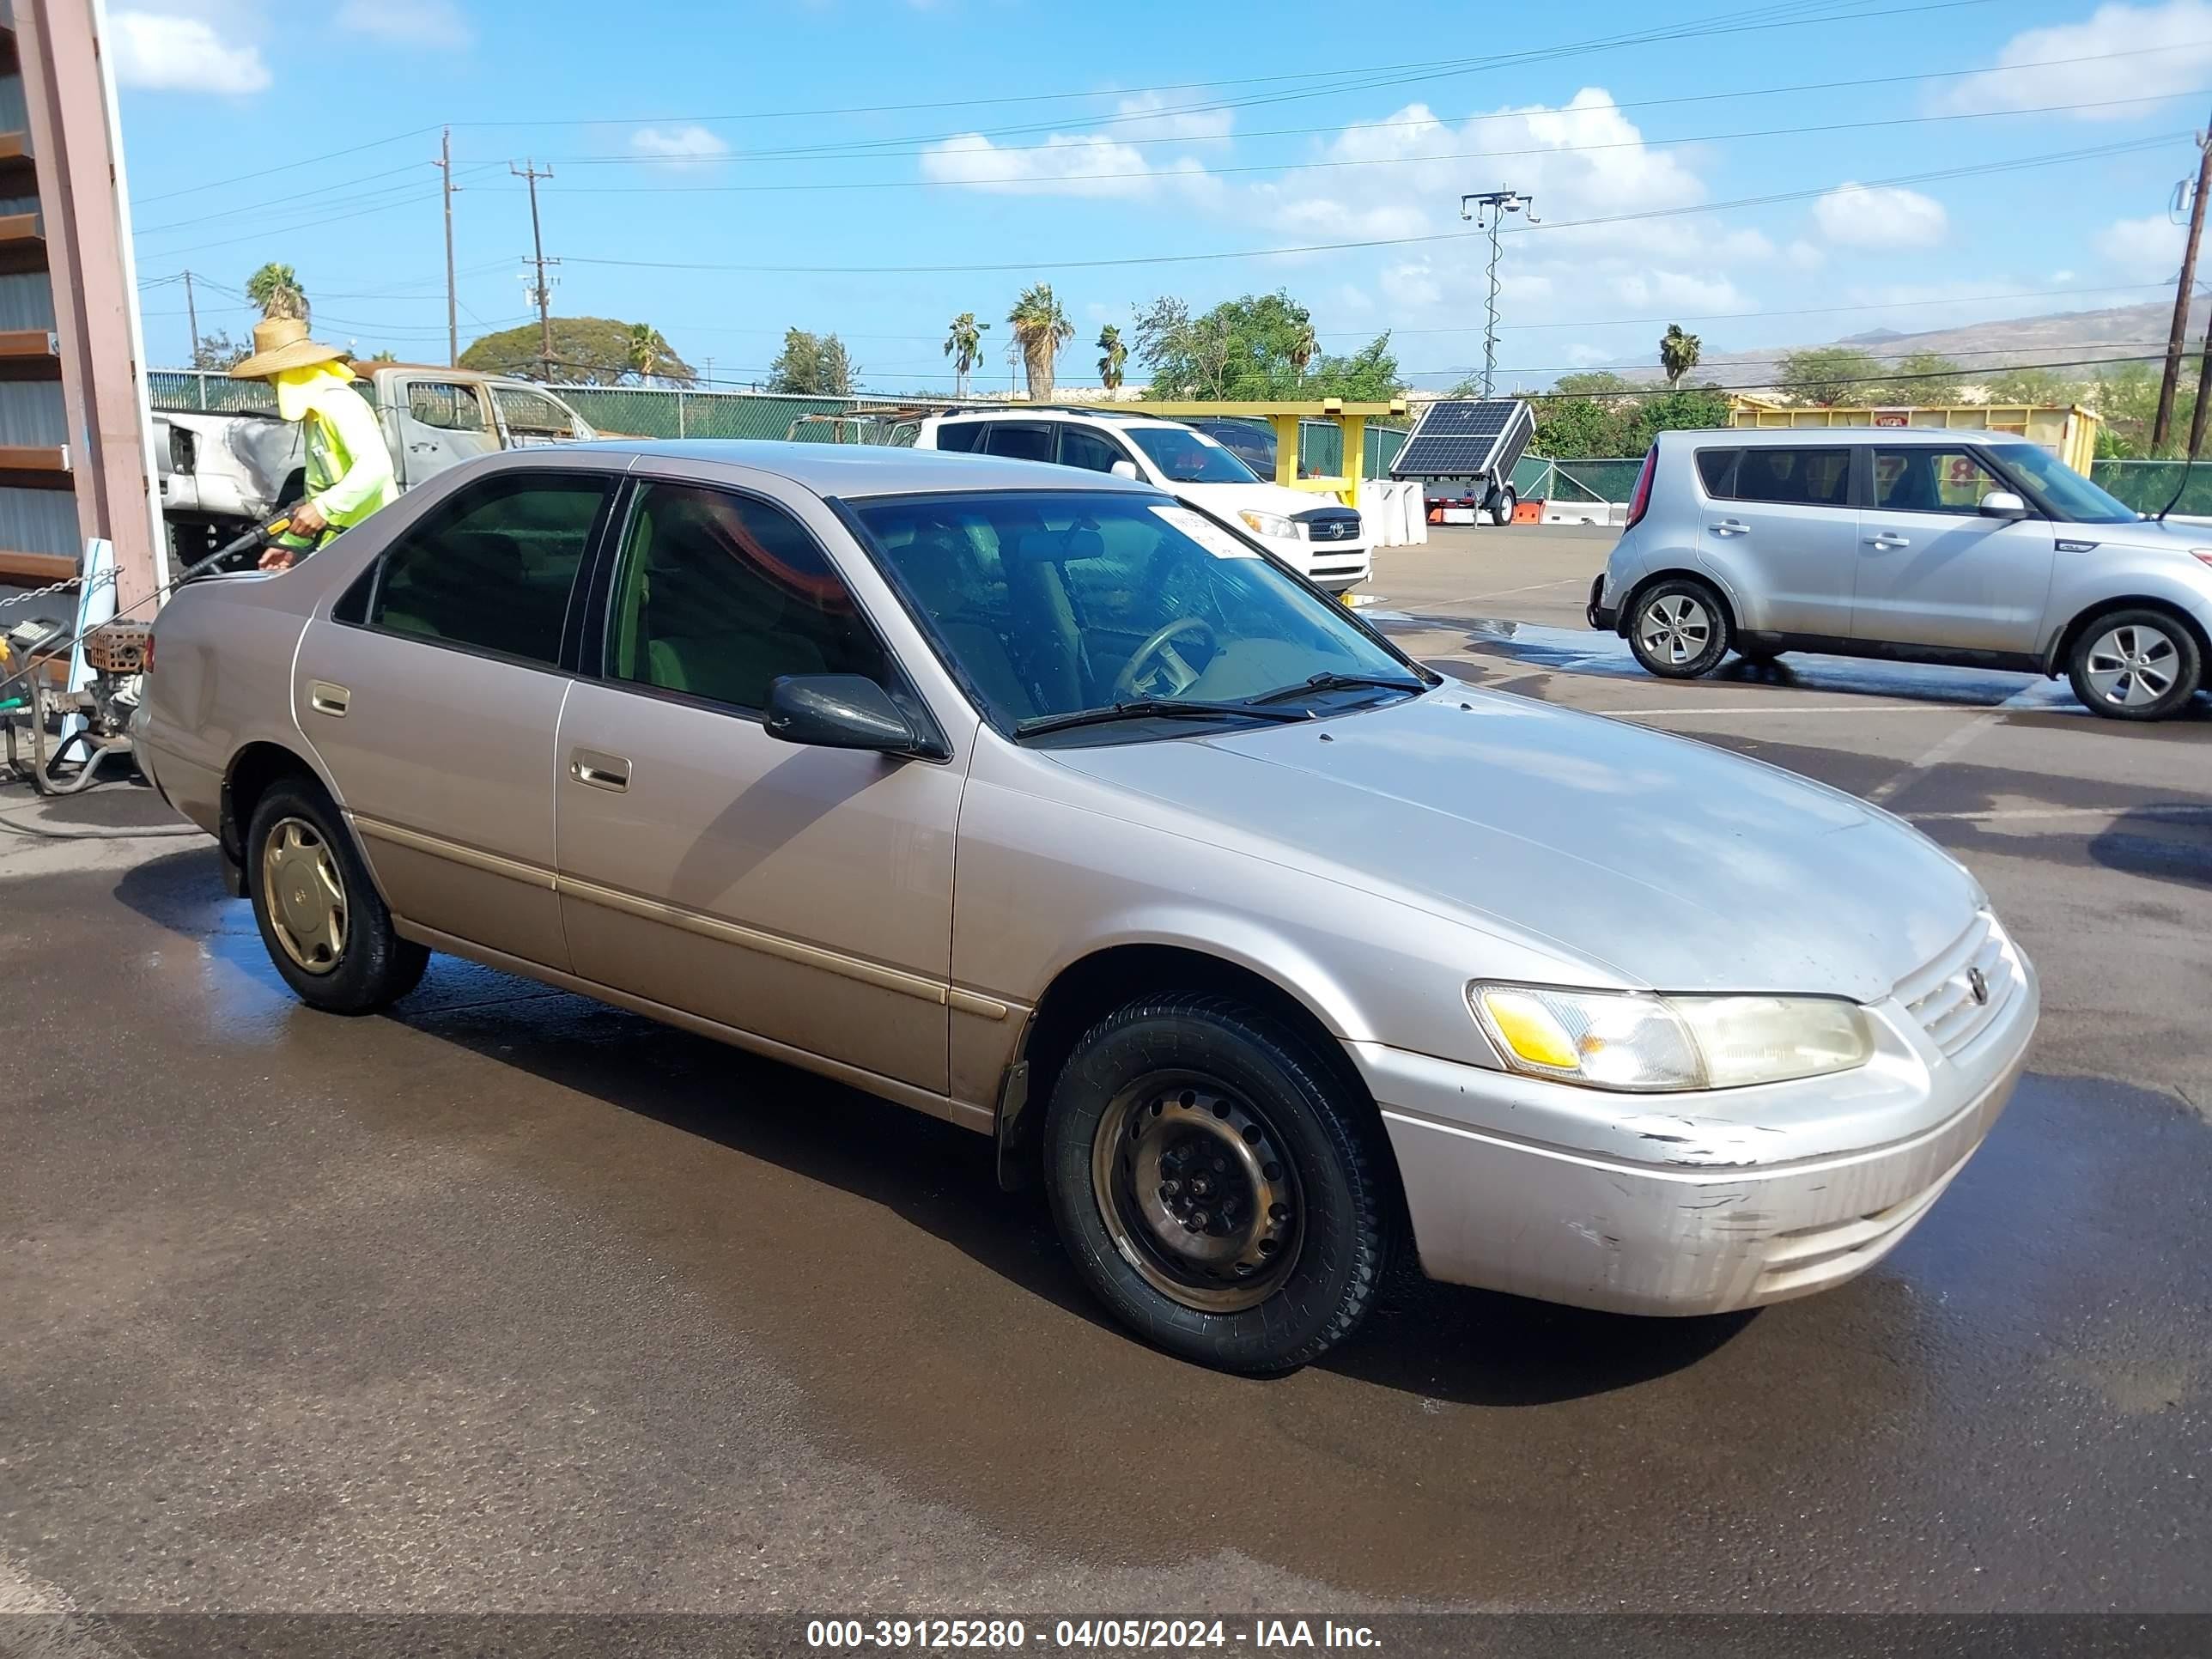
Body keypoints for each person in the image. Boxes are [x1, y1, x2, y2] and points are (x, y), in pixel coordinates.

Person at [227, 317, 398, 570]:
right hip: (343, 547)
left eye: (274, 377)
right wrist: (291, 544)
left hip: (373, 548)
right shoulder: (313, 414)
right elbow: (320, 489)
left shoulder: (338, 403)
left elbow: (376, 468)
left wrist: (323, 508)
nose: (273, 386)